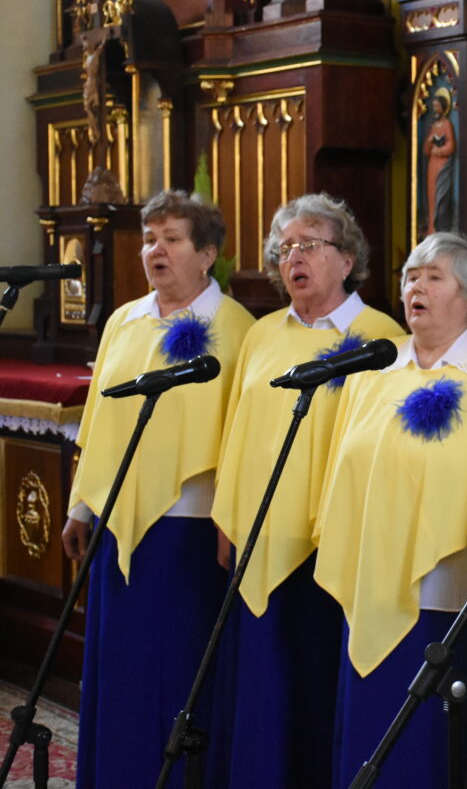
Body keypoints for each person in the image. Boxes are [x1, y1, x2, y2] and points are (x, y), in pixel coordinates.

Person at [313, 232, 467, 788]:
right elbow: (344, 474)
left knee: (429, 756)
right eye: (411, 276)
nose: (417, 287)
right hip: (371, 586)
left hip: (451, 600)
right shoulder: (378, 371)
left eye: (435, 277)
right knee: (371, 739)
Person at [209, 193, 403, 788]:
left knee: (313, 690)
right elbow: (238, 431)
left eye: (310, 244)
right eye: (286, 247)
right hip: (257, 540)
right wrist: (227, 517)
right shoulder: (263, 335)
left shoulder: (379, 339)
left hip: (329, 549)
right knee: (259, 690)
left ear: (347, 260)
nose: (294, 256)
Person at [64, 190, 254, 788]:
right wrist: (80, 503)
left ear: (208, 254)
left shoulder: (236, 328)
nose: (155, 251)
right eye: (150, 239)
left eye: (172, 238)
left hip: (191, 533)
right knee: (118, 672)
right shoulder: (124, 320)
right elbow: (98, 418)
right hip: (115, 526)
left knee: (171, 671)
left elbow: (242, 434)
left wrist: (231, 517)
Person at [424, 88, 456, 235]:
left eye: (438, 106)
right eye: (434, 106)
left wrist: (440, 151)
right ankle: (432, 228)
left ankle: (441, 227)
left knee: (441, 196)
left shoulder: (447, 124)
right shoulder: (433, 126)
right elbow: (425, 150)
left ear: (443, 107)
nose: (435, 109)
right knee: (432, 197)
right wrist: (430, 143)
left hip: (442, 164)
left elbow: (451, 145)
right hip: (432, 165)